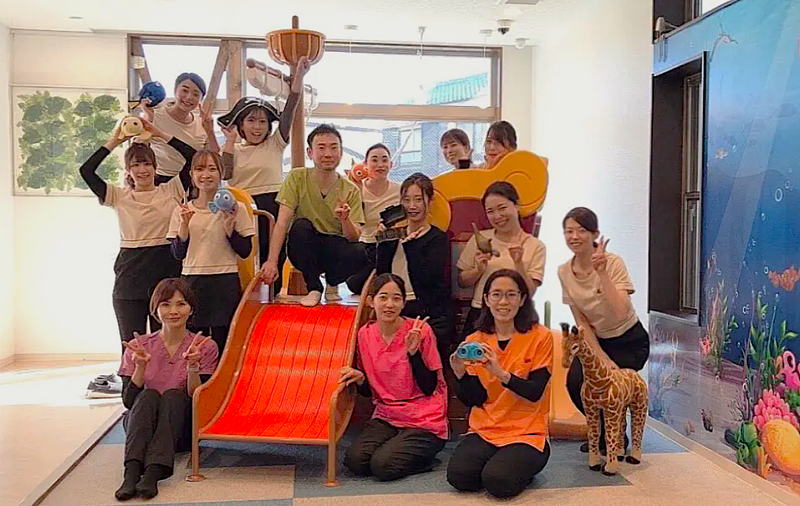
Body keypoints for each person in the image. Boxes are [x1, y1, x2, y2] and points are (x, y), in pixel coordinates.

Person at [79, 119, 196, 354]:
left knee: (165, 347)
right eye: (136, 165)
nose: (142, 170)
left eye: (147, 164)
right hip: (130, 278)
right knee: (132, 346)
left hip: (165, 274)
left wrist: (159, 133)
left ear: (155, 167)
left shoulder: (171, 189)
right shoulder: (118, 196)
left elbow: (194, 157)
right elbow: (86, 171)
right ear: (129, 171)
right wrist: (115, 141)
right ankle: (129, 380)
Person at [446, 269, 552, 499]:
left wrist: (500, 373)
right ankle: (501, 462)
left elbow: (534, 392)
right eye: (496, 294)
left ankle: (518, 465)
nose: (503, 302)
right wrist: (460, 374)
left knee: (498, 482)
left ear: (522, 299)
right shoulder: (475, 341)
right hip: (485, 430)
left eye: (511, 295)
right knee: (459, 477)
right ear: (486, 299)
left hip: (526, 432)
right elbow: (476, 399)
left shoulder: (540, 336)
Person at [115, 278, 218, 501]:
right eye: (166, 304)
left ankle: (153, 474)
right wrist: (140, 367)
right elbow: (129, 402)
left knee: (173, 397)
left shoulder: (205, 346)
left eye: (181, 304)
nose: (173, 311)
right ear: (155, 309)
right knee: (149, 395)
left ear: (191, 309)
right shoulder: (139, 346)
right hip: (142, 427)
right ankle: (131, 474)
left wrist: (193, 367)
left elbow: (200, 401)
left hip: (181, 431)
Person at [340, 274, 448, 481]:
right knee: (355, 461)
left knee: (383, 467)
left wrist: (413, 354)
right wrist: (360, 378)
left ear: (404, 303)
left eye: (396, 298)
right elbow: (370, 391)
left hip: (423, 417)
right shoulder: (364, 334)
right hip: (387, 415)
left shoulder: (420, 331)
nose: (389, 304)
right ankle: (399, 444)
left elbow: (429, 387)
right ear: (371, 301)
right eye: (383, 297)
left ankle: (426, 457)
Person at [559, 207, 650, 453]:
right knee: (576, 382)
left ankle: (616, 435)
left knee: (612, 388)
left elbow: (620, 311)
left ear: (595, 234)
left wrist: (602, 273)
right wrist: (602, 358)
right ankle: (604, 434)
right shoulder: (564, 272)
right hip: (598, 342)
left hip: (629, 341)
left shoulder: (613, 262)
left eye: (581, 231)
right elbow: (582, 322)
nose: (574, 236)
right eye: (569, 231)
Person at [219, 57, 310, 292]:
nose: (257, 127)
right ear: (240, 124)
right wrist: (229, 142)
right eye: (251, 120)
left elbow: (290, 109)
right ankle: (245, 302)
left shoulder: (275, 143)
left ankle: (274, 298)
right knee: (245, 259)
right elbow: (225, 173)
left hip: (274, 206)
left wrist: (299, 76)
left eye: (262, 121)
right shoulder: (233, 148)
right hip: (243, 208)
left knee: (274, 259)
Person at [259, 124, 366, 307]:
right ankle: (314, 287)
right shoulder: (297, 178)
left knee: (364, 251)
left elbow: (353, 237)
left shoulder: (351, 189)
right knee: (300, 226)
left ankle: (332, 282)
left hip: (335, 246)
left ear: (341, 153)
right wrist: (271, 261)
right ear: (310, 152)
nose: (328, 154)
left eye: (333, 147)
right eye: (321, 148)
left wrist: (345, 219)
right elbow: (282, 222)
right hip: (306, 247)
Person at [167, 151, 255, 352]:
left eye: (212, 169)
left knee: (224, 343)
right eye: (200, 169)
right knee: (193, 345)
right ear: (192, 174)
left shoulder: (237, 208)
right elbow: (177, 255)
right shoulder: (182, 210)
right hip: (192, 281)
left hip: (225, 280)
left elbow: (245, 251)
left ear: (221, 174)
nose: (205, 174)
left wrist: (230, 229)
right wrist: (184, 226)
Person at [375, 173, 455, 358]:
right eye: (406, 200)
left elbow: (430, 279)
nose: (412, 206)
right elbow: (381, 275)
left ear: (430, 201)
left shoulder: (438, 238)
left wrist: (411, 246)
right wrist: (383, 241)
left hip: (429, 314)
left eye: (418, 199)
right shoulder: (394, 235)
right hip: (396, 310)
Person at [457, 181, 545, 338]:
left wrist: (518, 263)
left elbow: (529, 292)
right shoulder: (480, 239)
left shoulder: (535, 246)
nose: (497, 216)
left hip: (516, 316)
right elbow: (462, 282)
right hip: (481, 313)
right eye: (490, 211)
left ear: (516, 206)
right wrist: (478, 270)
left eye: (502, 208)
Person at [144, 73, 219, 183]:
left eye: (196, 94)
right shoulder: (154, 116)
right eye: (184, 90)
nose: (189, 97)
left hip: (192, 183)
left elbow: (213, 157)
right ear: (175, 90)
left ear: (200, 100)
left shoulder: (202, 123)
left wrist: (210, 131)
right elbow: (138, 150)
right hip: (160, 182)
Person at [346, 143, 401, 294]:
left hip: (390, 245)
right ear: (365, 164)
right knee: (354, 284)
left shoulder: (399, 190)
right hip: (364, 245)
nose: (380, 165)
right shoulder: (356, 188)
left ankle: (382, 283)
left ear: (391, 164)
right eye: (375, 160)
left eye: (384, 160)